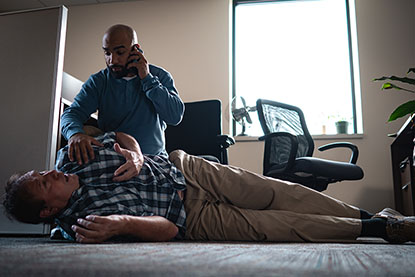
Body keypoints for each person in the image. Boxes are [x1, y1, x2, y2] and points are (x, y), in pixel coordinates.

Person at [3, 132, 415, 244]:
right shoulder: (85, 225)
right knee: (282, 226)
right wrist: (121, 223)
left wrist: (136, 155)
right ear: (47, 212)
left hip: (190, 169)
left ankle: (367, 215)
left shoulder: (72, 156)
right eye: (43, 184)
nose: (50, 174)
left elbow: (123, 136)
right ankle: (381, 229)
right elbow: (166, 231)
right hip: (193, 217)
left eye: (43, 171)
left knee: (284, 192)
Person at [61, 24, 184, 165]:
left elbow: (175, 117)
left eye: (119, 52)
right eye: (107, 53)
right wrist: (75, 134)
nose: (112, 60)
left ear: (135, 50)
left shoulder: (159, 76)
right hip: (115, 160)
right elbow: (72, 113)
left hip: (154, 162)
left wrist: (147, 79)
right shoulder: (98, 81)